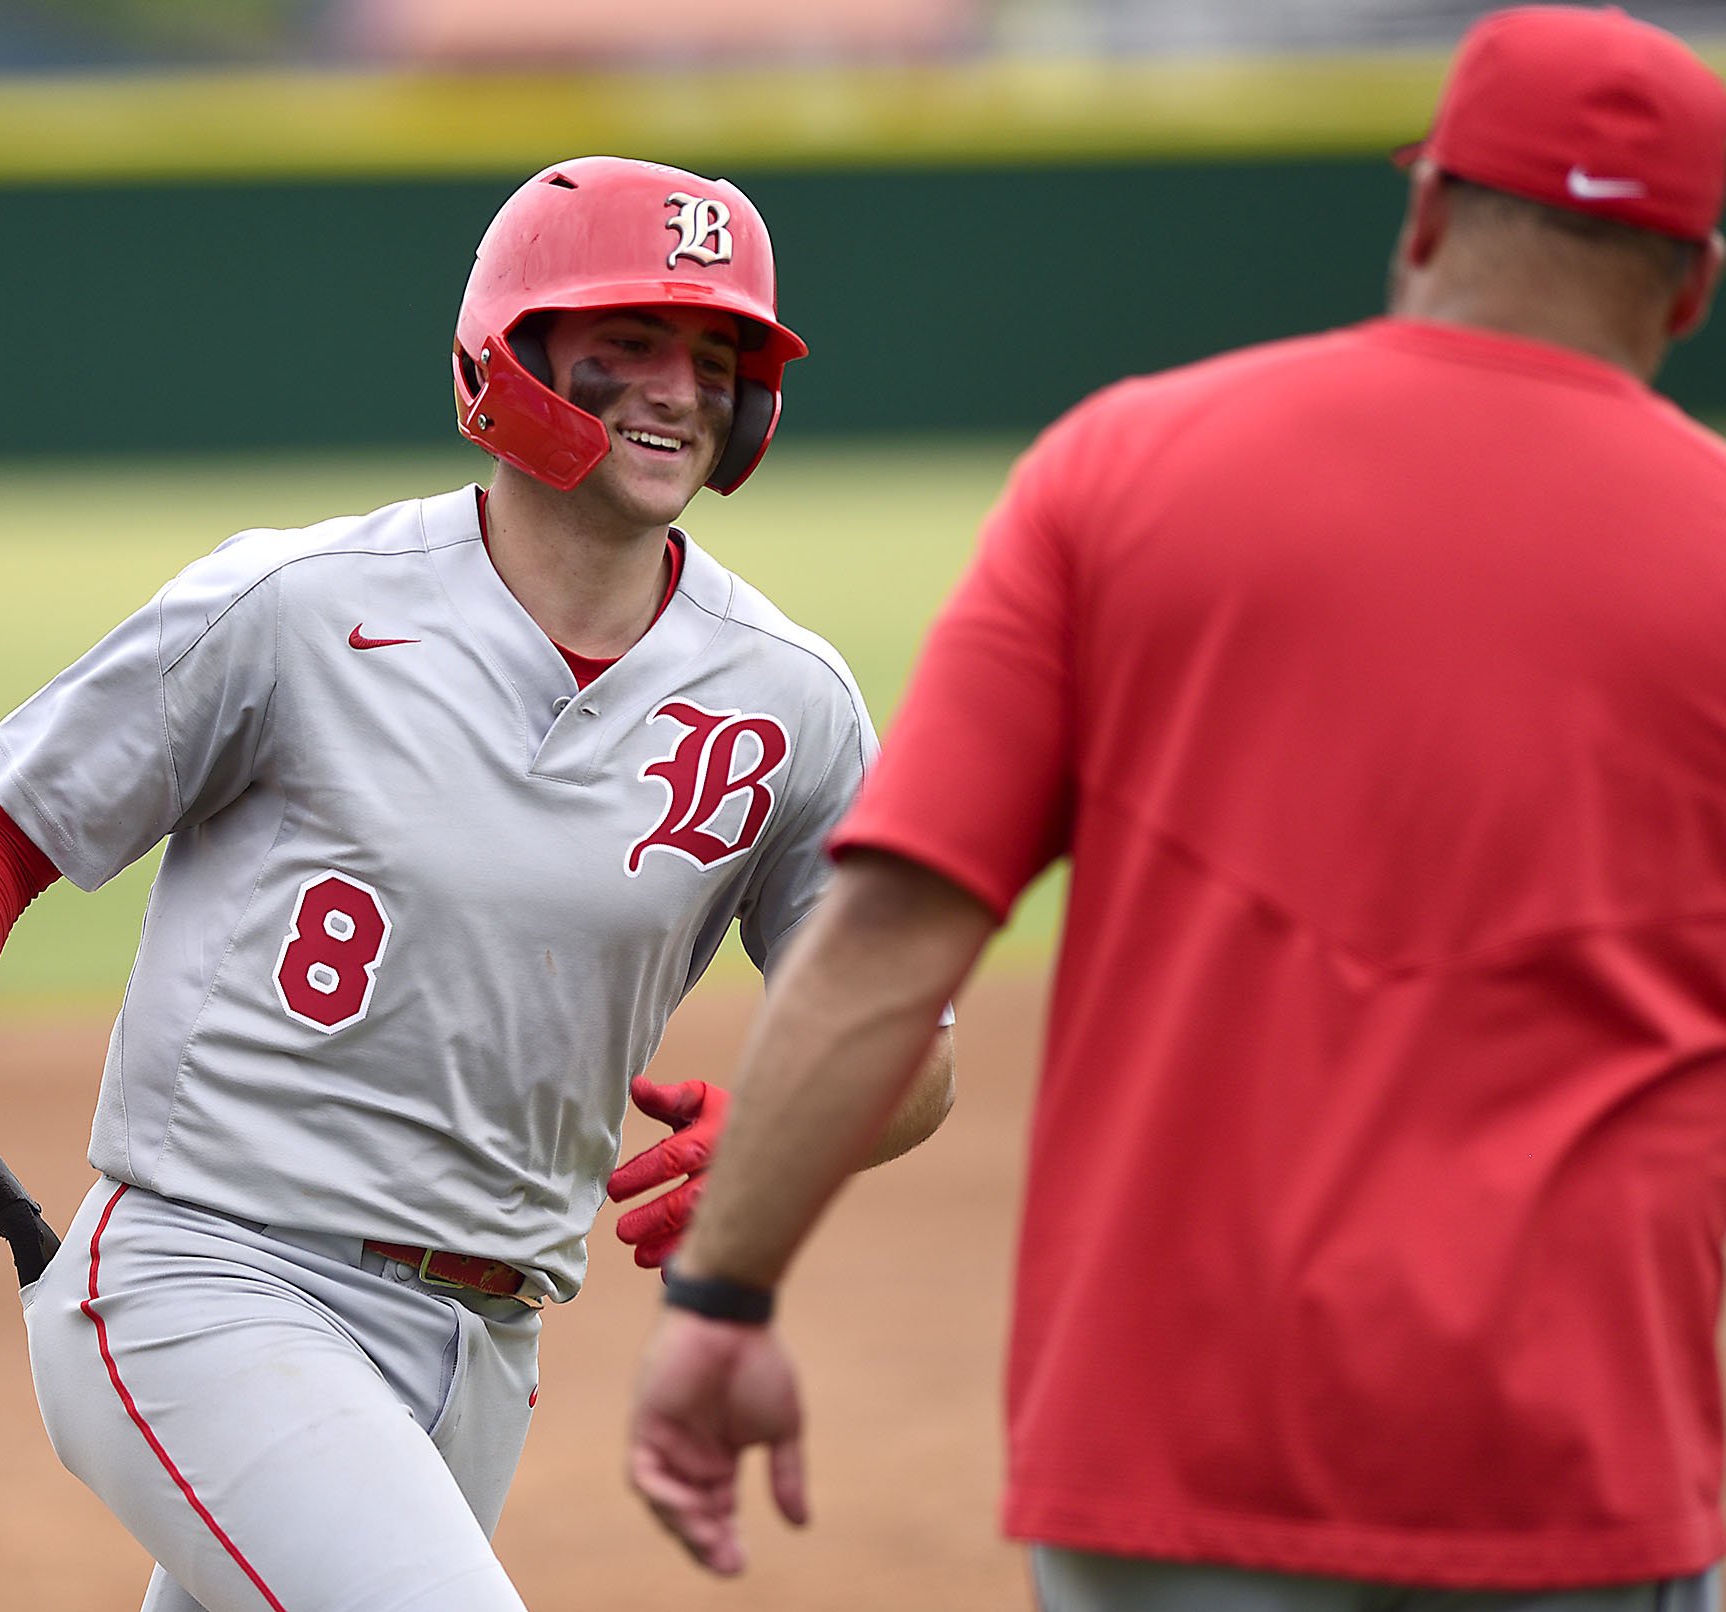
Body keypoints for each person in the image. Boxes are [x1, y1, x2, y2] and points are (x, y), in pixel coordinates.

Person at [626, 8, 1726, 1610]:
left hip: (1168, 1458)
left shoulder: (1123, 470)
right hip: (1575, 1464)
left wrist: (723, 1305)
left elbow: (884, 945)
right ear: (1693, 287)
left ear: (1423, 217)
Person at [0, 153, 955, 1612]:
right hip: (209, 1287)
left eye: (717, 356)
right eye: (631, 343)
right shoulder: (298, 606)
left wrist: (803, 1117)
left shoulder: (792, 700)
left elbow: (910, 1036)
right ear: (508, 359)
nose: (679, 388)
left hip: (485, 1352)